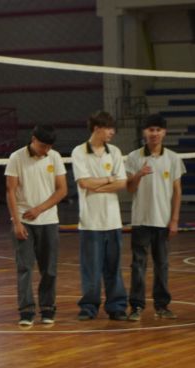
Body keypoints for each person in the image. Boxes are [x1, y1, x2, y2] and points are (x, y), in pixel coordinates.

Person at [125, 114, 186, 320]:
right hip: (141, 220)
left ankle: (162, 305)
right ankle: (136, 306)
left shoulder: (173, 158)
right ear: (144, 132)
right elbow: (130, 188)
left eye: (158, 130)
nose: (154, 133)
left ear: (164, 132)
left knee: (162, 265)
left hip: (163, 221)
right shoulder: (134, 157)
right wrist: (138, 175)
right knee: (138, 265)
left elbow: (177, 191)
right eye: (151, 129)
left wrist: (174, 220)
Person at [5, 125, 67, 326]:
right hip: (24, 222)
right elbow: (10, 191)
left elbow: (62, 190)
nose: (45, 150)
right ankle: (26, 311)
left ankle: (48, 308)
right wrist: (16, 222)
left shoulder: (55, 157)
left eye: (49, 147)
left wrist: (40, 209)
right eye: (42, 146)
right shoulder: (16, 158)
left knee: (49, 269)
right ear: (33, 139)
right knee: (24, 268)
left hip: (49, 221)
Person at [70, 111, 128, 321]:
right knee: (91, 269)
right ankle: (88, 307)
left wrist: (98, 184)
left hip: (113, 221)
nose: (112, 132)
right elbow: (84, 182)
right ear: (97, 128)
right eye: (109, 128)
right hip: (90, 222)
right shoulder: (79, 152)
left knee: (114, 267)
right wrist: (108, 179)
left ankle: (117, 306)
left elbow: (122, 183)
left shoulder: (115, 152)